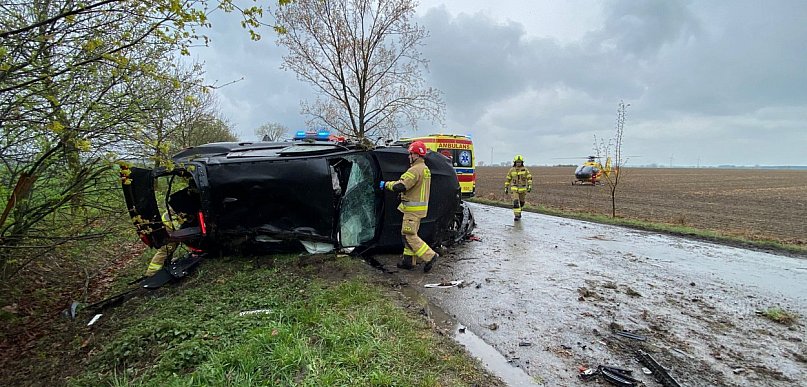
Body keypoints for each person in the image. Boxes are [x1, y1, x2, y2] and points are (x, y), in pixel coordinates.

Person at [379, 141, 439, 273]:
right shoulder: (425, 169)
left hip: (412, 210)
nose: (409, 156)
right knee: (407, 234)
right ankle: (408, 262)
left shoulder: (414, 170)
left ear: (417, 155)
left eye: (411, 154)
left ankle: (430, 256)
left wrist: (386, 185)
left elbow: (401, 186)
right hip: (418, 209)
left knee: (408, 235)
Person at [145, 210, 183, 276]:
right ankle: (151, 273)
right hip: (169, 228)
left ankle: (166, 263)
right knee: (166, 249)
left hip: (171, 226)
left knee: (172, 246)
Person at [504, 155, 533, 221]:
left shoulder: (525, 170)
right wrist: (506, 187)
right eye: (517, 162)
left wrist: (529, 186)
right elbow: (508, 179)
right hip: (514, 189)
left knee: (521, 203)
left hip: (522, 189)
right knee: (516, 202)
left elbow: (529, 178)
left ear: (522, 162)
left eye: (520, 162)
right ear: (515, 162)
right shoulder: (511, 170)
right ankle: (517, 216)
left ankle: (519, 211)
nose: (518, 163)